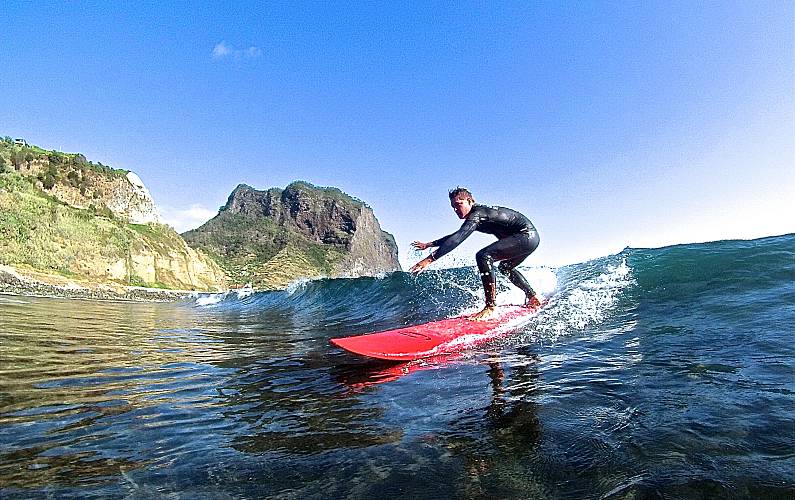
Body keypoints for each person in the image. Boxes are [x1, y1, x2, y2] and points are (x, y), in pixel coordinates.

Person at [409, 187, 541, 320]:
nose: (455, 209)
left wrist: (429, 259)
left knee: (484, 256)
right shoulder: (477, 216)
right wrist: (429, 244)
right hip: (530, 239)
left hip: (525, 236)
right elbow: (457, 235)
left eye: (458, 204)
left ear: (470, 201)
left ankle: (490, 307)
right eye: (453, 206)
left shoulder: (478, 215)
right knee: (504, 267)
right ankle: (533, 297)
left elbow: (458, 237)